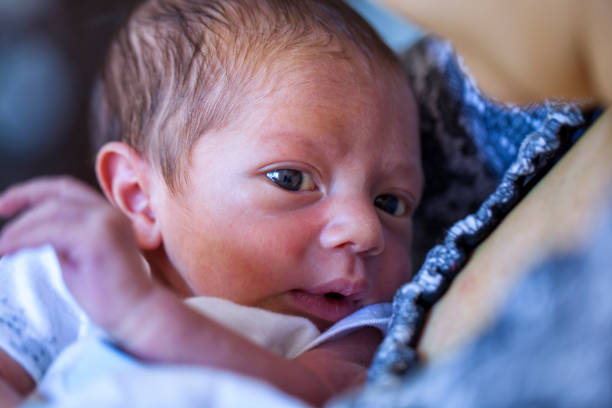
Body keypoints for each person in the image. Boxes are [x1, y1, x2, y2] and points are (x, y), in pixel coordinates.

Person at [0, 0, 423, 406]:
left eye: (390, 202)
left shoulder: (357, 330)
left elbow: (326, 394)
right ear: (141, 199)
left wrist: (147, 320)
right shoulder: (73, 275)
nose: (366, 231)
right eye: (290, 179)